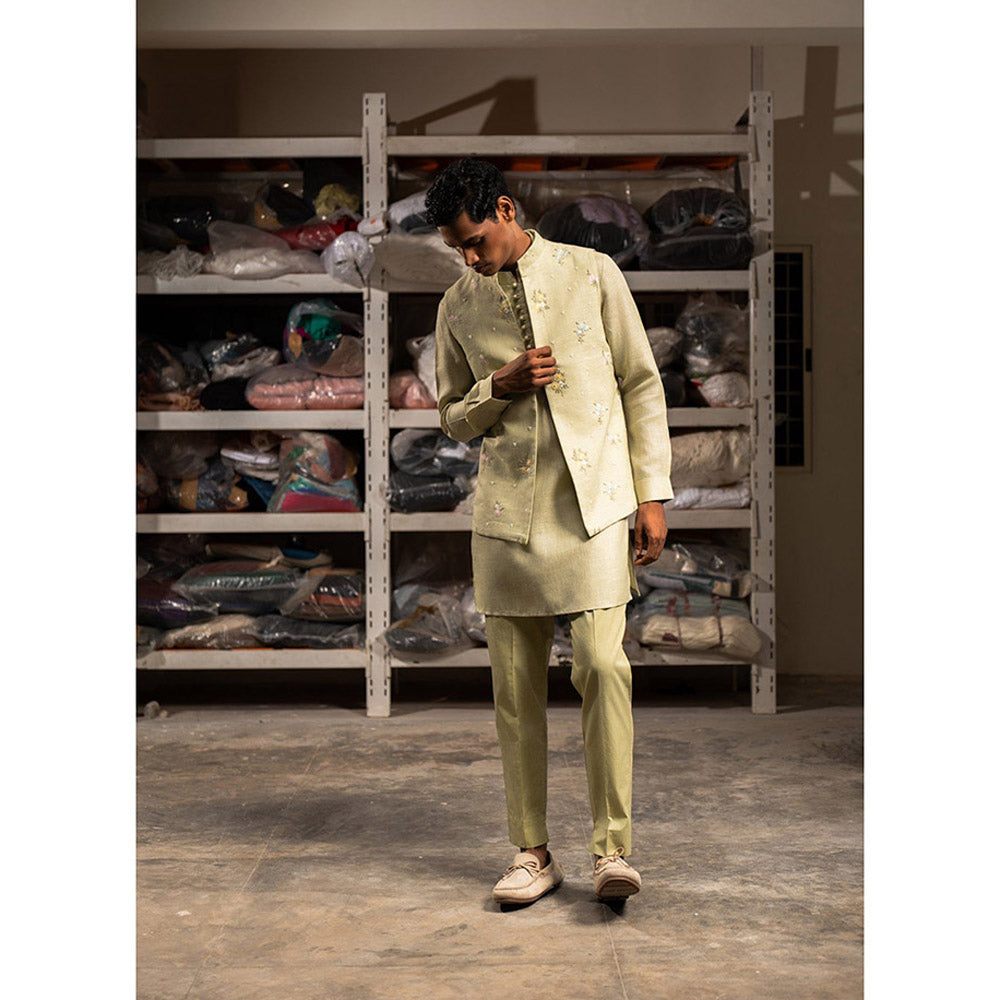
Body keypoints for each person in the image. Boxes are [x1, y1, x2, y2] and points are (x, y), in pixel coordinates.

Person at [426, 158, 673, 905]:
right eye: (457, 249)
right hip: (507, 518)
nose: (470, 259)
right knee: (514, 690)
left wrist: (652, 495)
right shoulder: (456, 306)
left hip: (594, 506)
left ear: (505, 210)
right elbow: (452, 417)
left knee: (603, 667)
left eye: (475, 241)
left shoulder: (593, 273)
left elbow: (641, 383)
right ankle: (531, 853)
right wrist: (494, 389)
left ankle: (612, 850)